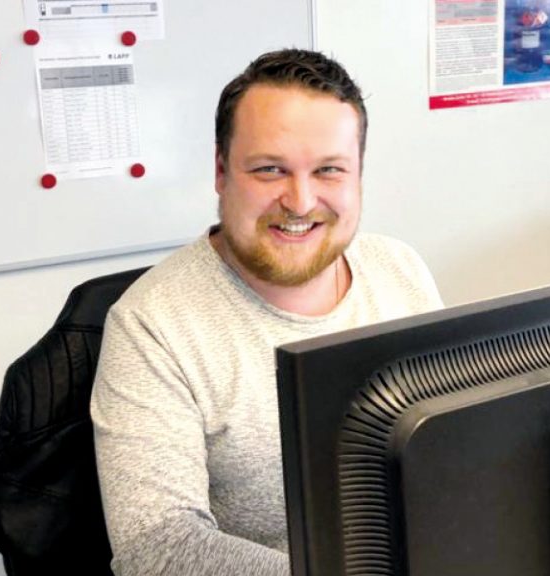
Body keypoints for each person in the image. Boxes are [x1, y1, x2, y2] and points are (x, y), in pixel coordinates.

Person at [90, 49, 442, 576]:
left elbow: (447, 453)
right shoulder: (151, 324)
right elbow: (158, 547)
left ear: (358, 176)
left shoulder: (400, 269)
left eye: (329, 170)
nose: (300, 201)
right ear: (221, 172)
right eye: (270, 169)